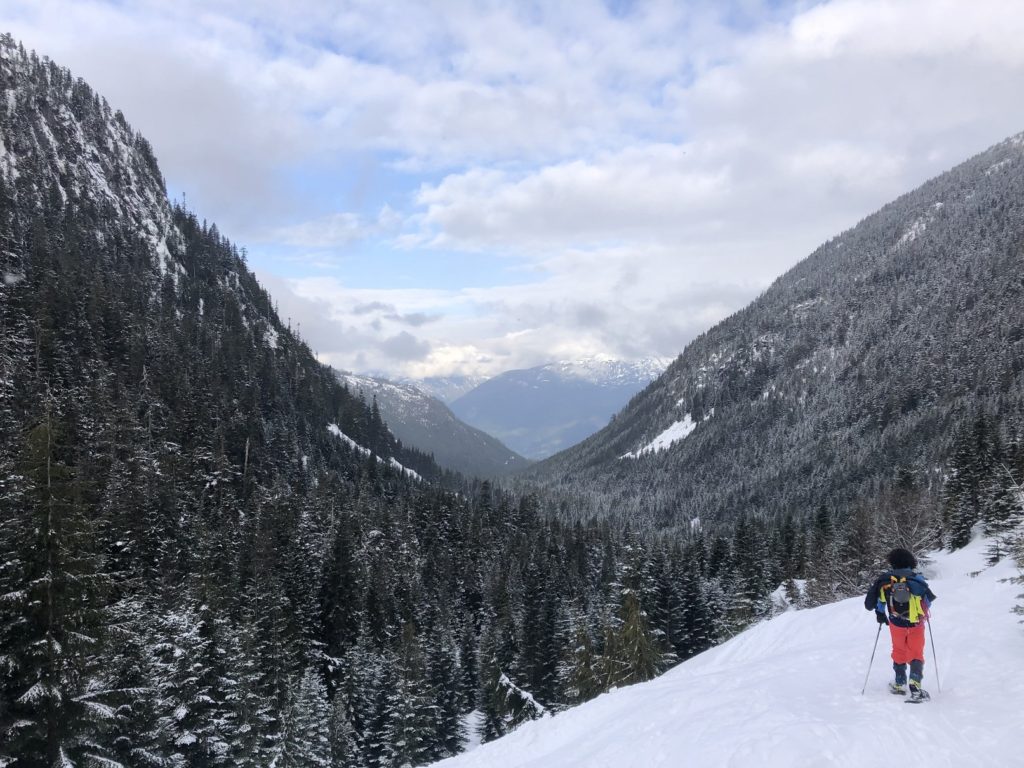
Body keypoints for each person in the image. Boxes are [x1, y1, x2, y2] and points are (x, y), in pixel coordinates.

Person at [864, 548, 937, 701]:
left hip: (896, 623)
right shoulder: (917, 579)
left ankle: (899, 683)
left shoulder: (885, 580)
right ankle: (915, 686)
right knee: (916, 652)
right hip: (916, 623)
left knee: (898, 649)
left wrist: (880, 614)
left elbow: (878, 602)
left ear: (893, 562)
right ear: (910, 562)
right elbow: (927, 601)